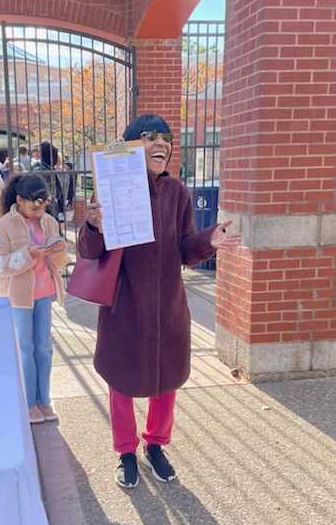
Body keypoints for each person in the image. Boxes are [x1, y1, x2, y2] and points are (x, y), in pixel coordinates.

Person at [78, 114, 241, 489]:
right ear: (132, 147)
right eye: (151, 138)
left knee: (165, 382)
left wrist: (209, 240)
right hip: (125, 304)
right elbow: (89, 250)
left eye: (167, 139)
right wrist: (94, 226)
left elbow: (185, 246)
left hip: (168, 305)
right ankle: (125, 451)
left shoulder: (177, 192)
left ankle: (155, 445)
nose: (162, 145)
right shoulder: (109, 188)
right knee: (121, 381)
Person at [0, 174, 68, 424]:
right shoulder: (4, 225)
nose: (40, 210)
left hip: (45, 292)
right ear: (20, 200)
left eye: (44, 204)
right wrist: (28, 254)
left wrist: (58, 251)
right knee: (25, 349)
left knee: (43, 348)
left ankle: (44, 400)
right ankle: (29, 402)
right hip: (19, 296)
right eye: (34, 205)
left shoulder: (48, 222)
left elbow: (59, 261)